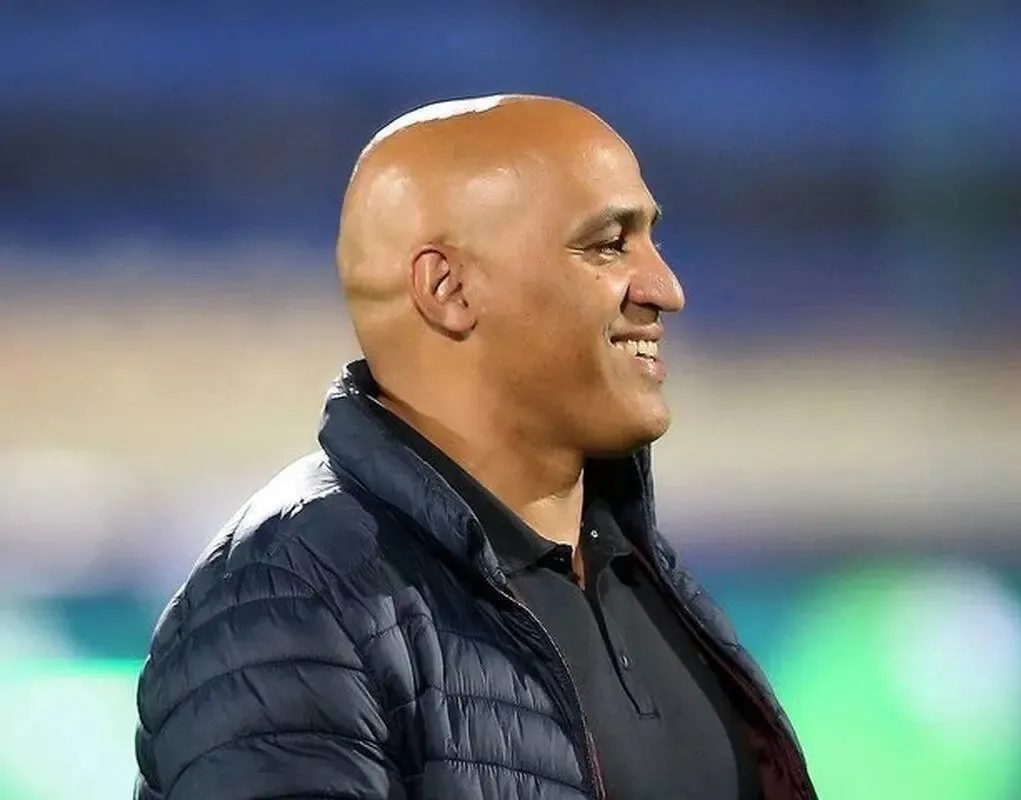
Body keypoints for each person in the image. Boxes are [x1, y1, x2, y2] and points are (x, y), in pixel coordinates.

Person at [133, 94, 817, 800]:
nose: (665, 289)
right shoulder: (286, 603)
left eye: (653, 242)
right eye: (609, 245)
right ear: (448, 288)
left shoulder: (642, 574)